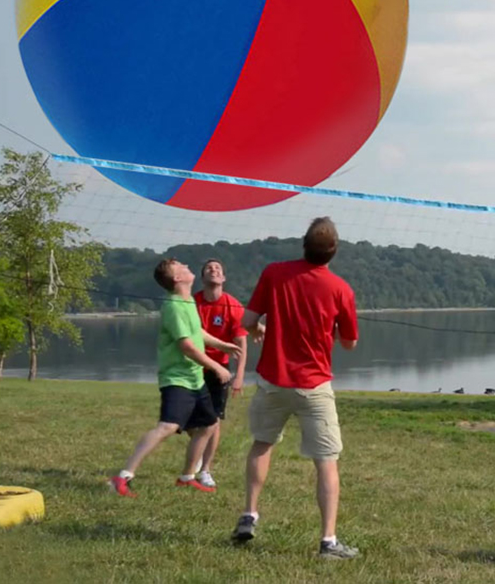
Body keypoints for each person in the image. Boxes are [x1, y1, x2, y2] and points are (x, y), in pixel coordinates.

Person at [231, 217, 360, 560]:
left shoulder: (274, 273)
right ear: (333, 252)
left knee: (262, 444)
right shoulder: (341, 289)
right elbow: (349, 344)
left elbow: (245, 322)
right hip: (314, 385)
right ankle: (328, 542)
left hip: (273, 380)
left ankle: (249, 515)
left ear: (303, 245)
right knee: (326, 462)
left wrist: (259, 325)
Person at [109, 258, 241, 497]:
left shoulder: (188, 300)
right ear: (177, 278)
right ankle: (122, 477)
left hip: (194, 378)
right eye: (182, 267)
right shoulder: (173, 305)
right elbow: (187, 346)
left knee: (208, 425)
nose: (188, 267)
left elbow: (197, 332)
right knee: (168, 426)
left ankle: (187, 477)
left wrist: (222, 344)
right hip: (177, 378)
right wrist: (217, 367)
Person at [193, 258, 248, 489]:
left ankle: (205, 469)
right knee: (186, 421)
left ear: (223, 278)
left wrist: (239, 376)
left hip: (220, 370)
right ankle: (196, 451)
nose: (213, 270)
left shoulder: (233, 305)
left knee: (214, 421)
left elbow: (241, 343)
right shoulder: (192, 302)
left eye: (218, 269)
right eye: (209, 268)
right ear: (203, 277)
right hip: (193, 366)